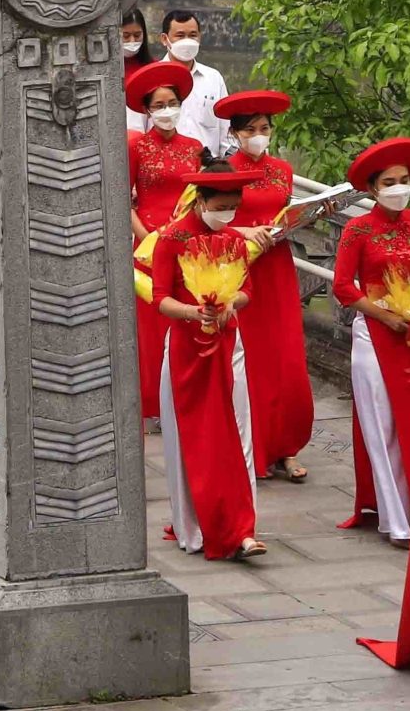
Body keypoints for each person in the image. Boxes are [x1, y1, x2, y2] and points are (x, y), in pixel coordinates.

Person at [153, 166, 266, 562]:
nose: (229, 215)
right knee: (190, 440)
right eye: (221, 207)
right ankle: (195, 527)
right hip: (187, 348)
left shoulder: (234, 240)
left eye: (234, 207)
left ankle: (242, 527)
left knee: (238, 433)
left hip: (229, 345)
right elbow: (160, 297)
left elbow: (248, 289)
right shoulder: (172, 238)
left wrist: (232, 303)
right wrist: (192, 312)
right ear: (200, 201)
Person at [333, 137, 410, 544]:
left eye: (404, 180)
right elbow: (342, 286)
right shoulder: (358, 229)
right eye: (389, 182)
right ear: (373, 189)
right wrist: (385, 315)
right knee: (384, 426)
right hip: (375, 334)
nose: (398, 188)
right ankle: (397, 520)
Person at [218, 91, 312, 484]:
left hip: (278, 265)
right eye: (252, 129)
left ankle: (286, 447)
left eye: (265, 129)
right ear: (236, 133)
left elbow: (285, 212)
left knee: (286, 356)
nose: (260, 135)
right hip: (243, 266)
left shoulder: (282, 170)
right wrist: (245, 230)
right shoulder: (223, 170)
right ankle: (254, 446)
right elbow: (211, 221)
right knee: (252, 357)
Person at [126, 61, 204, 422]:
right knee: (152, 320)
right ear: (146, 110)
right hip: (148, 242)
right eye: (158, 105)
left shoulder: (195, 148)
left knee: (185, 315)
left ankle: (183, 392)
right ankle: (152, 401)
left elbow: (201, 198)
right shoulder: (137, 147)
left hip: (187, 241)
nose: (166, 110)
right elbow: (122, 198)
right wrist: (147, 238)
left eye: (171, 102)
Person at [158, 11, 229, 156]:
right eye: (180, 36)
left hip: (208, 169)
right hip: (166, 168)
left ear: (200, 37)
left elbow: (226, 130)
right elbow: (139, 129)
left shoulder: (213, 78)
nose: (187, 41)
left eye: (192, 35)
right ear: (165, 39)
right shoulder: (152, 77)